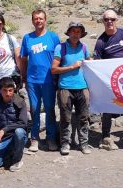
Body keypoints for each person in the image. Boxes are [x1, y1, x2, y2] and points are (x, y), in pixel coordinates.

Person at [93, 9, 123, 151]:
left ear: (116, 20)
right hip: (111, 81)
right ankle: (105, 137)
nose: (109, 22)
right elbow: (97, 63)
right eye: (106, 19)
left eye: (112, 19)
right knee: (107, 108)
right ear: (103, 22)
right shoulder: (101, 41)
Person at [20, 9, 60, 152]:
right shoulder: (27, 38)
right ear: (32, 21)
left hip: (49, 80)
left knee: (49, 109)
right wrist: (23, 77)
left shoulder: (53, 37)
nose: (38, 21)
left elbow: (59, 58)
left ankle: (51, 138)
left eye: (41, 18)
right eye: (36, 18)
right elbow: (23, 59)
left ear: (45, 20)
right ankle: (34, 139)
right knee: (34, 109)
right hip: (32, 81)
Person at [51, 21, 91, 155]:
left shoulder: (84, 48)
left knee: (84, 117)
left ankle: (84, 143)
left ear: (81, 34)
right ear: (68, 33)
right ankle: (65, 143)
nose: (75, 34)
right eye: (73, 31)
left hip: (82, 87)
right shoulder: (60, 48)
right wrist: (72, 67)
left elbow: (90, 65)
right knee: (65, 118)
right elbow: (54, 69)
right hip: (65, 88)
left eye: (78, 31)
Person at [0, 77, 28, 172]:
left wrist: (4, 130)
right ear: (0, 90)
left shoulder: (20, 102)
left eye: (10, 90)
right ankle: (9, 152)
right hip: (3, 139)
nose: (8, 93)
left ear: (14, 90)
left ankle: (17, 160)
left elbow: (23, 123)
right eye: (4, 90)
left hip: (17, 136)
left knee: (19, 132)